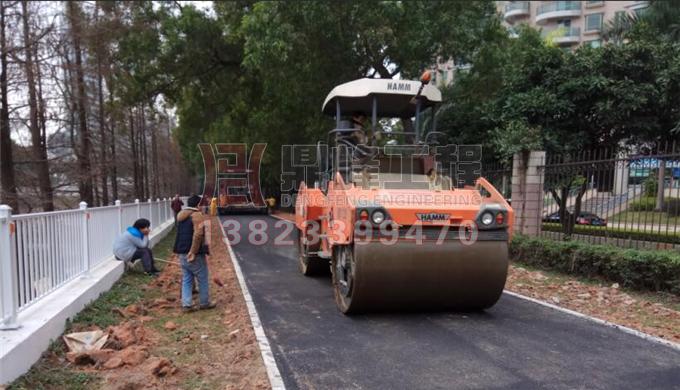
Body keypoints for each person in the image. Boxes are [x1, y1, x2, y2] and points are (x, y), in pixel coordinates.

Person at [173, 195, 215, 312]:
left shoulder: (182, 216)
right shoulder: (196, 216)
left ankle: (186, 304)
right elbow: (198, 235)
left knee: (187, 278)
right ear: (198, 204)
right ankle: (204, 302)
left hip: (181, 251)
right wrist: (193, 251)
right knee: (202, 277)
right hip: (194, 253)